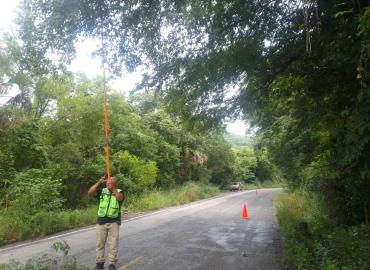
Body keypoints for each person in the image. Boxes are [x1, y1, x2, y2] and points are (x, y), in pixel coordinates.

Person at [88, 176, 124, 270]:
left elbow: (120, 199)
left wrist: (113, 190)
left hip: (114, 222)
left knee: (113, 244)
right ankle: (99, 263)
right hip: (101, 222)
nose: (109, 182)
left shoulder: (119, 192)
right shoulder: (102, 191)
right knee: (100, 244)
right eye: (108, 181)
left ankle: (112, 264)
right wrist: (99, 182)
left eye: (111, 181)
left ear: (115, 183)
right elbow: (90, 192)